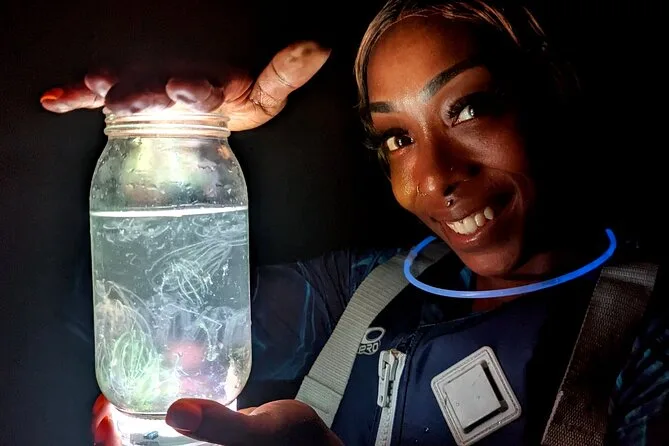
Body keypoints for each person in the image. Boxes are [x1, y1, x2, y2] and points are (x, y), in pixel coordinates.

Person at [41, 0, 669, 445]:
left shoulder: (647, 339)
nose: (434, 177)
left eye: (468, 109)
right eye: (397, 138)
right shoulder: (371, 287)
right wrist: (175, 150)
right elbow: (124, 315)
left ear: (552, 94)